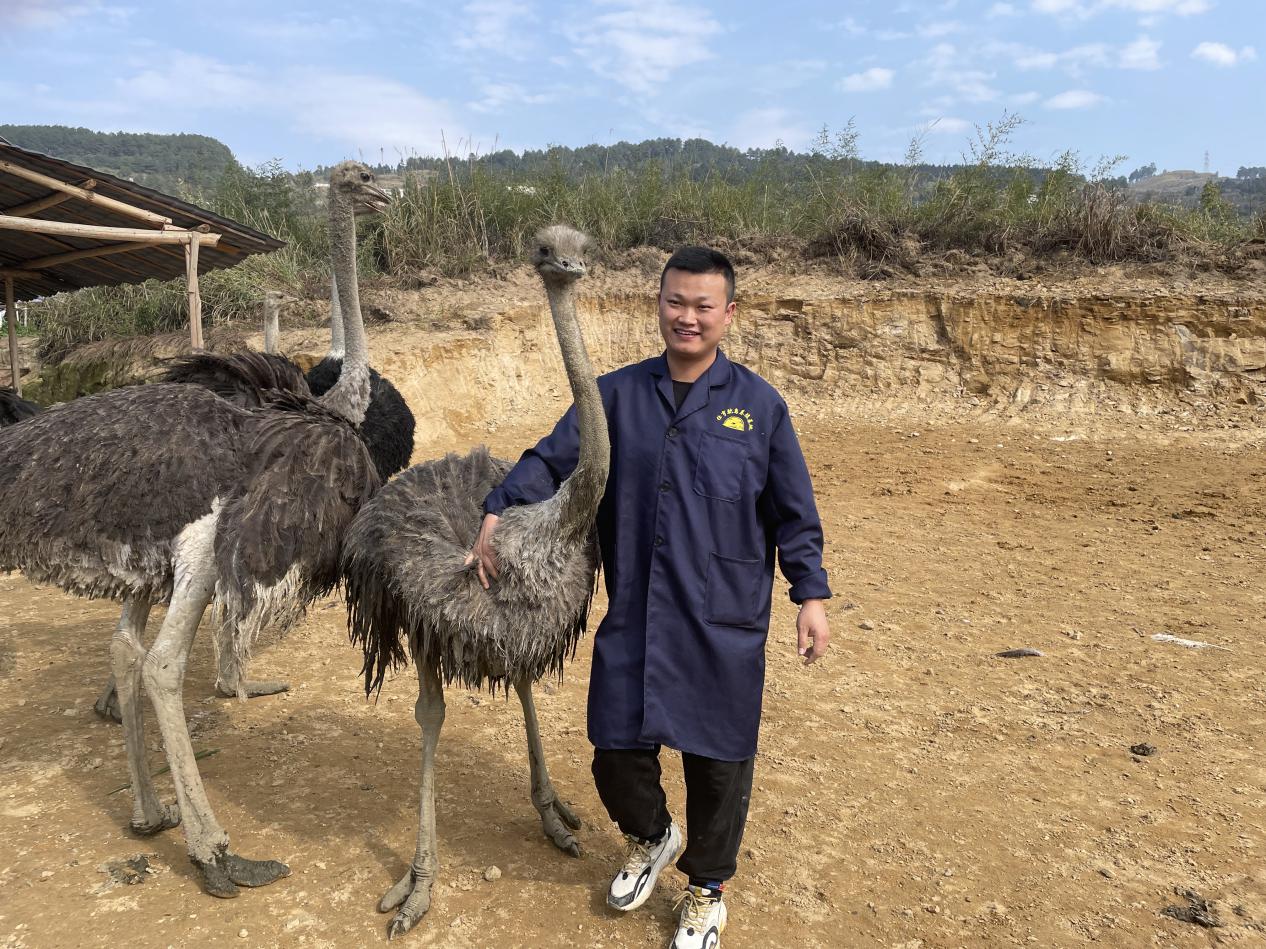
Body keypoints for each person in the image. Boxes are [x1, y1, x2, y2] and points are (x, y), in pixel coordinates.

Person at [468, 246, 831, 948]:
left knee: (719, 762)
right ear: (657, 303)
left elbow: (795, 512)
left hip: (722, 619)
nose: (687, 317)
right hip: (636, 609)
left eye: (703, 306)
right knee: (614, 747)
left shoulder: (759, 408)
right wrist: (498, 505)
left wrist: (809, 594)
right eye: (675, 302)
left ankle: (706, 888)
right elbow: (551, 456)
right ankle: (652, 835)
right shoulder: (614, 397)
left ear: (729, 313)